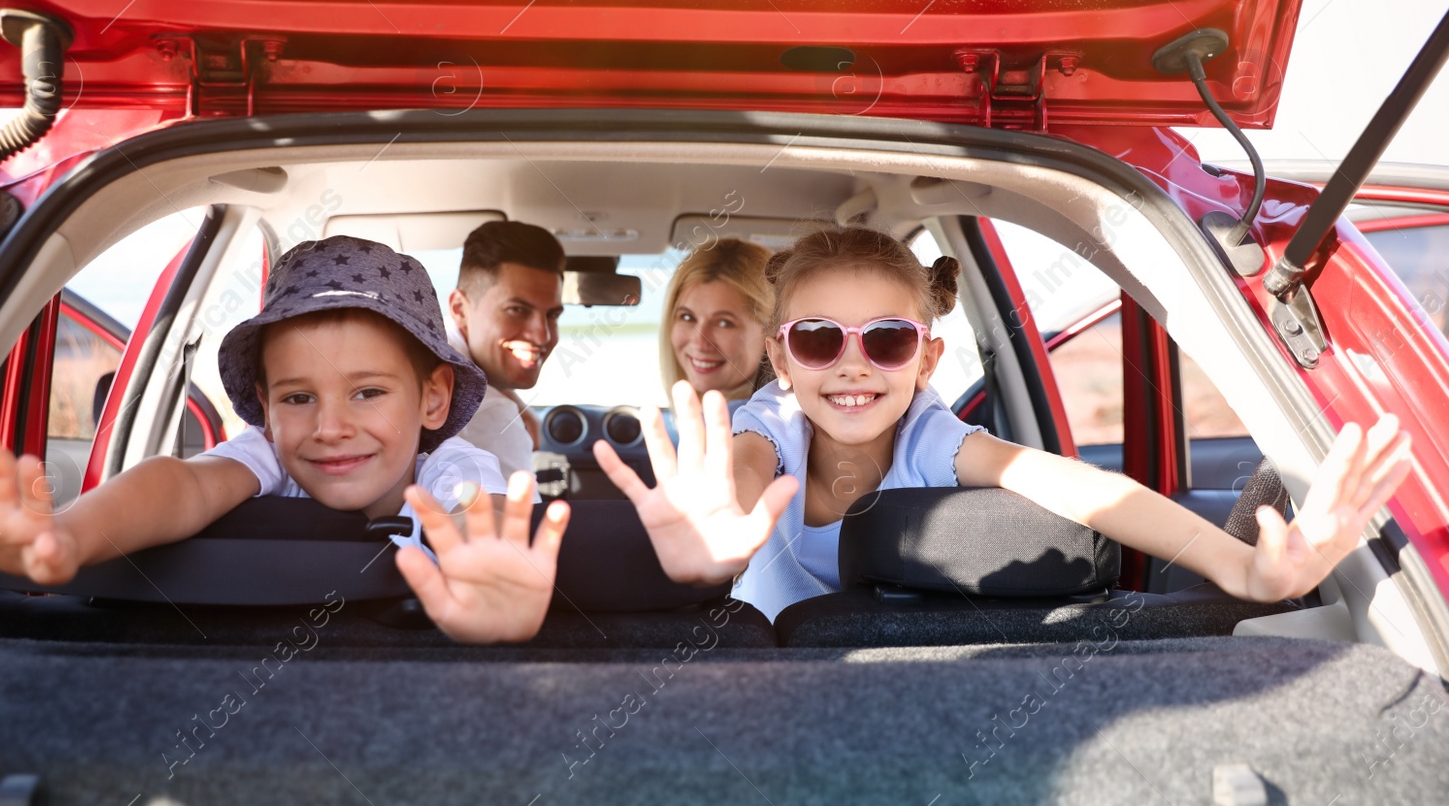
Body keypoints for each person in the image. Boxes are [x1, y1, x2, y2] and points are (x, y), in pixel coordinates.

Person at [595, 226, 1414, 621]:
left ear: (925, 360)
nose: (850, 366)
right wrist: (715, 534)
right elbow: (740, 467)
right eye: (817, 340)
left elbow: (1089, 488)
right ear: (781, 360)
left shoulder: (931, 434)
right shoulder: (771, 420)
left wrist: (1248, 572)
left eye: (885, 340)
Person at [0, 236, 571, 644]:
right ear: (266, 409)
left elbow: (474, 514)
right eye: (297, 397)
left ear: (432, 399)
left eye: (367, 391)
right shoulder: (275, 456)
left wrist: (483, 578)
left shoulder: (455, 463)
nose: (329, 427)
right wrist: (69, 535)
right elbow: (184, 483)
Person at [446, 221, 567, 479]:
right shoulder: (494, 417)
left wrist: (508, 395)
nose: (542, 335)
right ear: (459, 308)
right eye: (517, 310)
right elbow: (520, 519)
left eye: (552, 315)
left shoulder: (431, 354)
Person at [660, 237, 774, 403]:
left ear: (771, 330)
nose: (699, 341)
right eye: (687, 317)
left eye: (724, 323)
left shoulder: (742, 424)